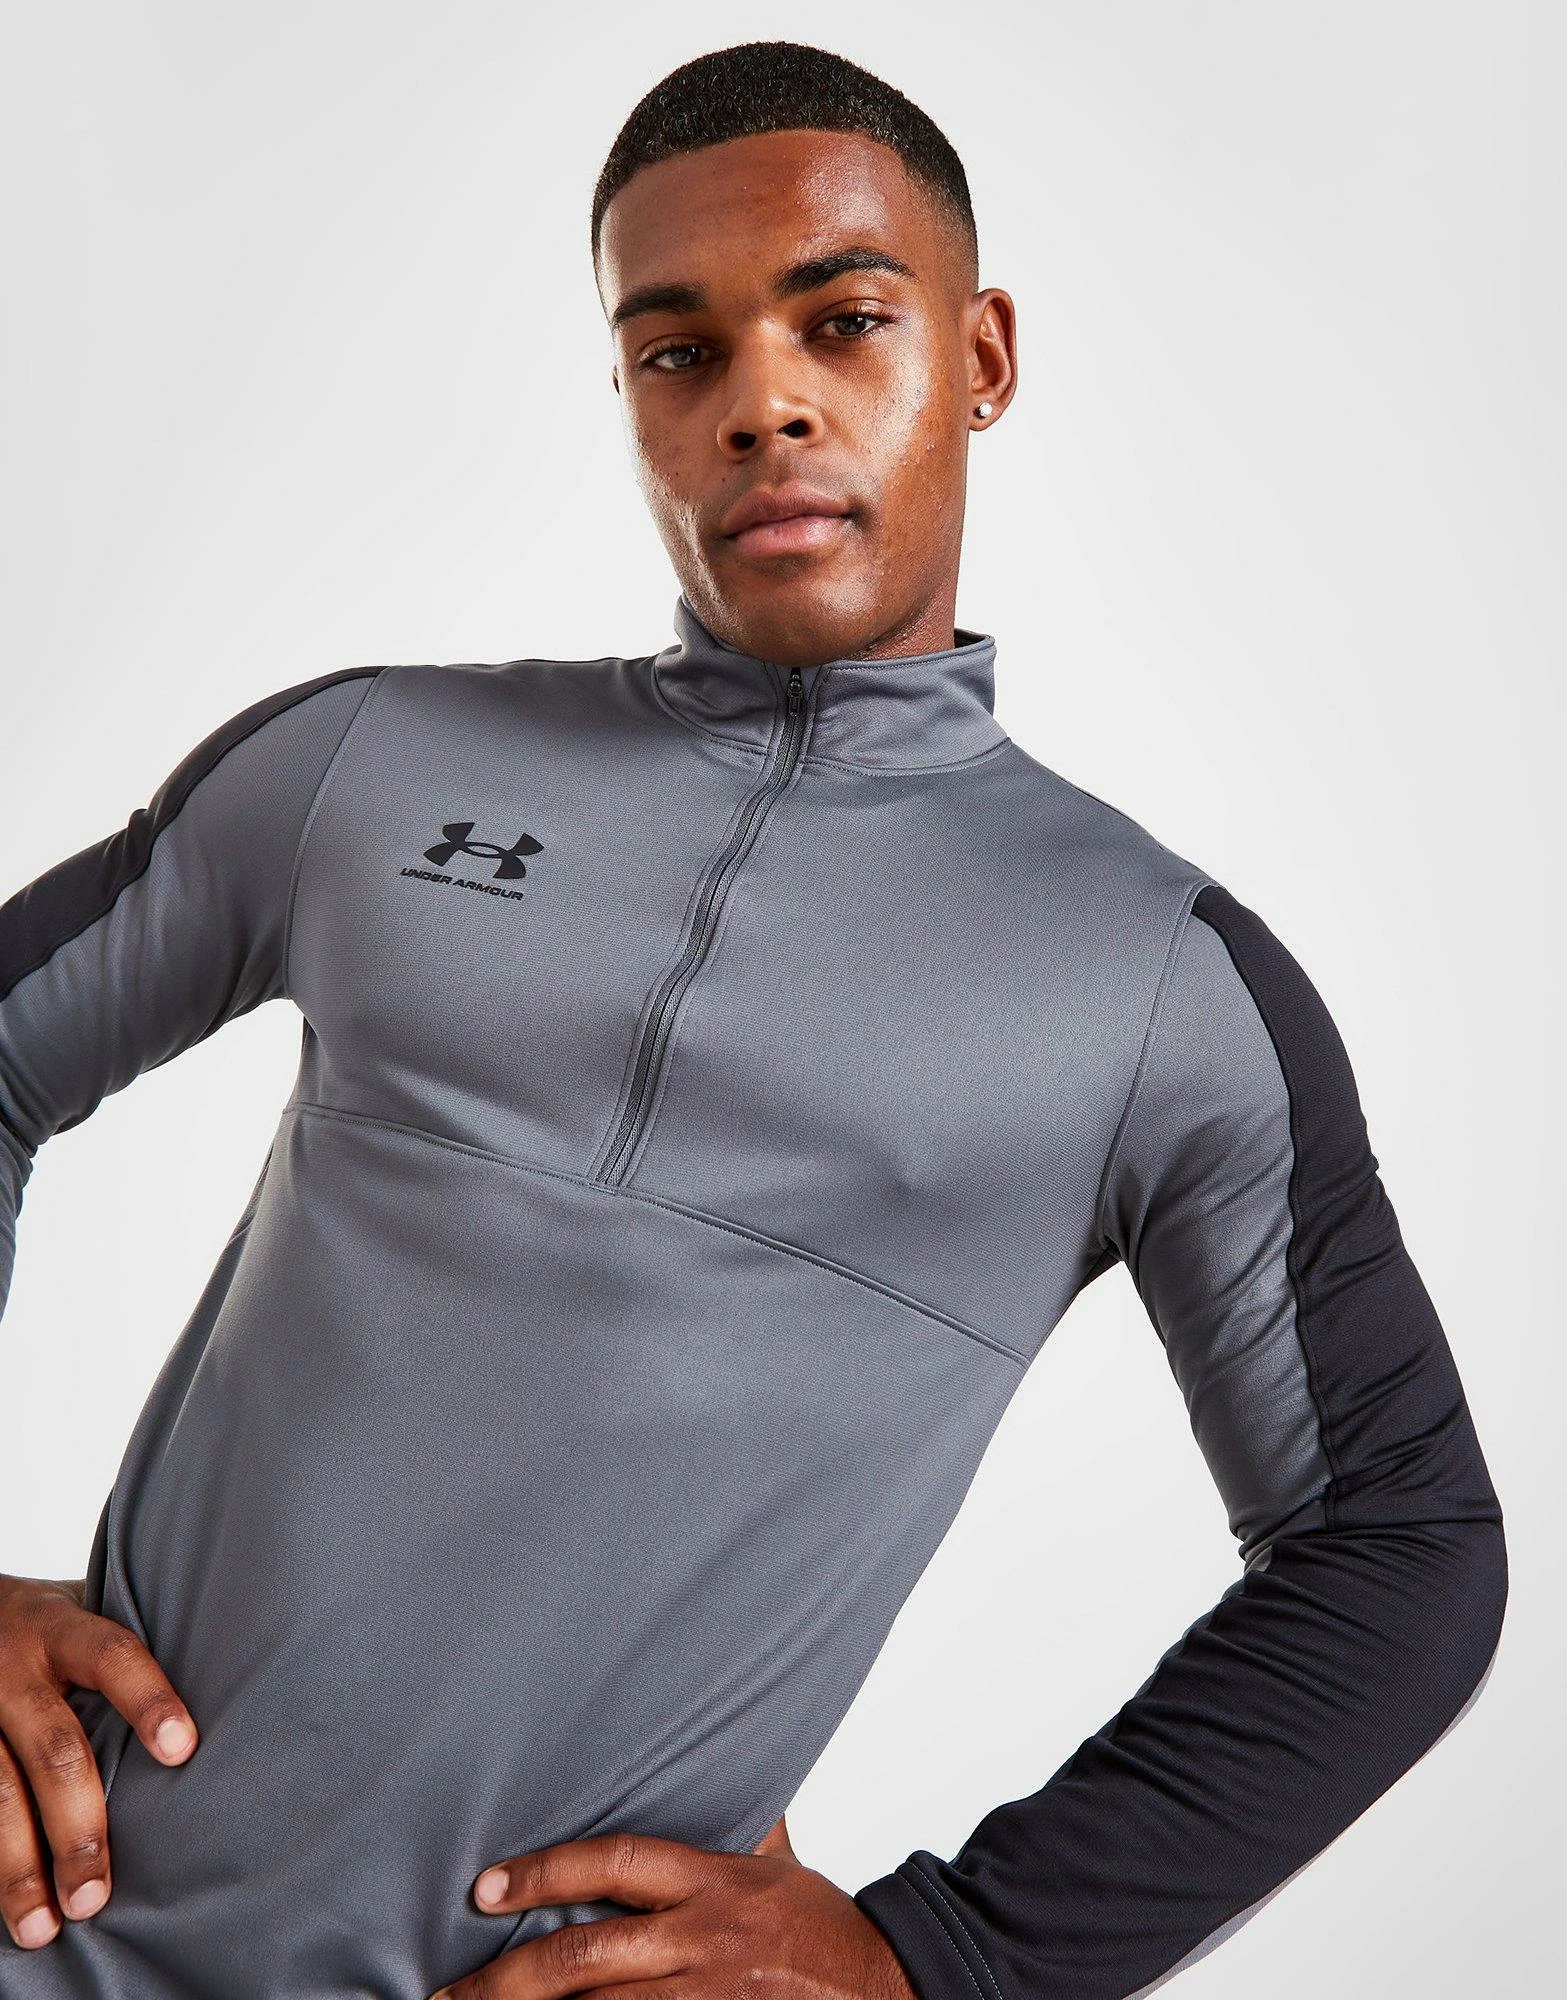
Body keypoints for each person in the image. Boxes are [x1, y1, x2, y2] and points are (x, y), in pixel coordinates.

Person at [0, 38, 1506, 2000]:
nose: (762, 402)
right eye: (677, 350)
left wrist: (939, 1958)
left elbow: (1399, 1547)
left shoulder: (1164, 987)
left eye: (845, 321)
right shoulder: (366, 763)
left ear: (978, 356)